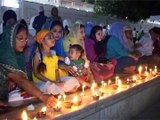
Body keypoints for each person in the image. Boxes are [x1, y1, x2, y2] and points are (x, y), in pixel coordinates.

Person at [0, 20, 56, 108]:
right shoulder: (5, 54)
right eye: (20, 38)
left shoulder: (18, 55)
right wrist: (42, 96)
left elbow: (22, 78)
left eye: (26, 39)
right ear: (11, 38)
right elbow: (22, 81)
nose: (24, 42)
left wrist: (13, 80)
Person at [32, 30, 80, 95]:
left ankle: (60, 90)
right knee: (50, 87)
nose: (53, 39)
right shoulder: (37, 55)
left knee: (73, 80)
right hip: (43, 82)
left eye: (52, 37)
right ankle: (61, 90)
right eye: (49, 38)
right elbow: (36, 74)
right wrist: (52, 82)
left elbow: (56, 69)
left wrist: (58, 81)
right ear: (42, 41)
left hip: (54, 80)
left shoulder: (53, 53)